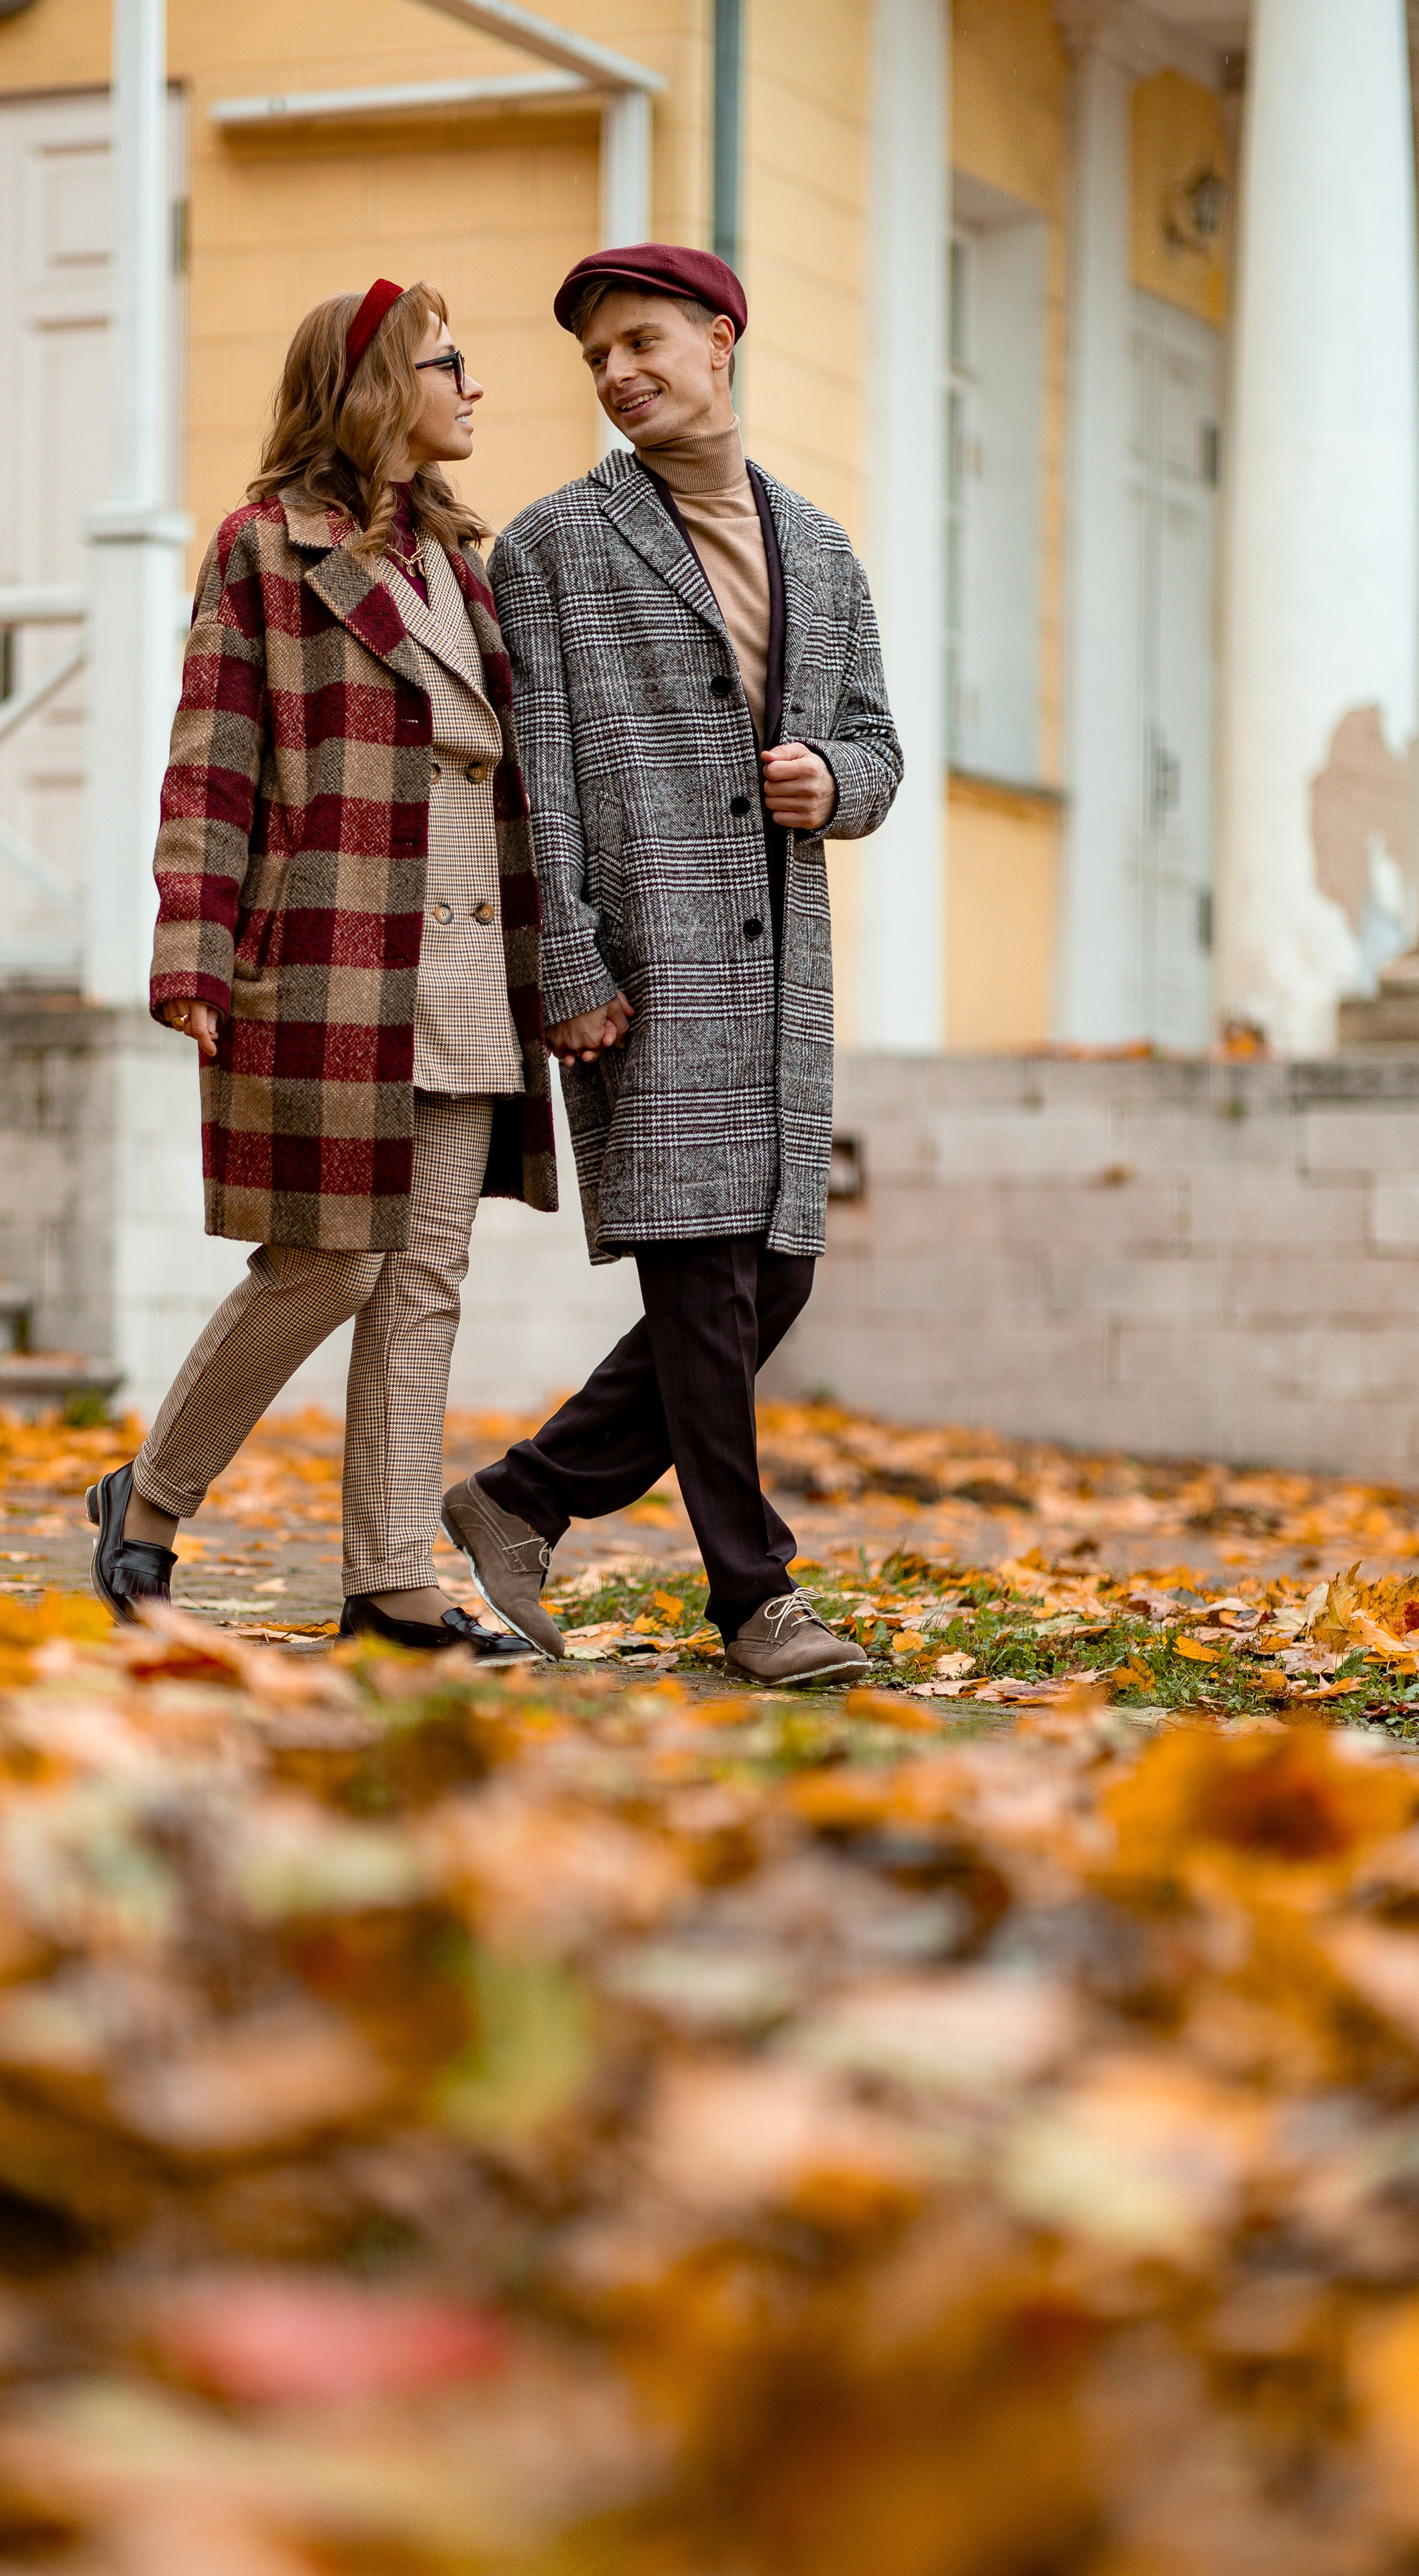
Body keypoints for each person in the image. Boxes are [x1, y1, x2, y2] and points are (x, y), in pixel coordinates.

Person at [441, 244, 902, 1684]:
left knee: (773, 1284)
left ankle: (519, 1499)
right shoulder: (553, 546)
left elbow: (878, 742)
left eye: (641, 343)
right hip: (648, 958)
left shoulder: (818, 547)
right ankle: (752, 1598)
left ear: (719, 342)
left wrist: (834, 777)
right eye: (595, 360)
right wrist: (563, 958)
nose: (618, 375)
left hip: (777, 976)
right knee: (701, 1276)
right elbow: (539, 772)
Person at [87, 278, 556, 1657]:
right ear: (370, 386)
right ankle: (148, 1500)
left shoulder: (465, 561)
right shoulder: (262, 553)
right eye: (448, 365)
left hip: (472, 954)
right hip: (335, 951)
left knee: (424, 1280)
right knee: (327, 1264)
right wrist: (195, 944)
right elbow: (210, 761)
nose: (474, 390)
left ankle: (389, 1584)